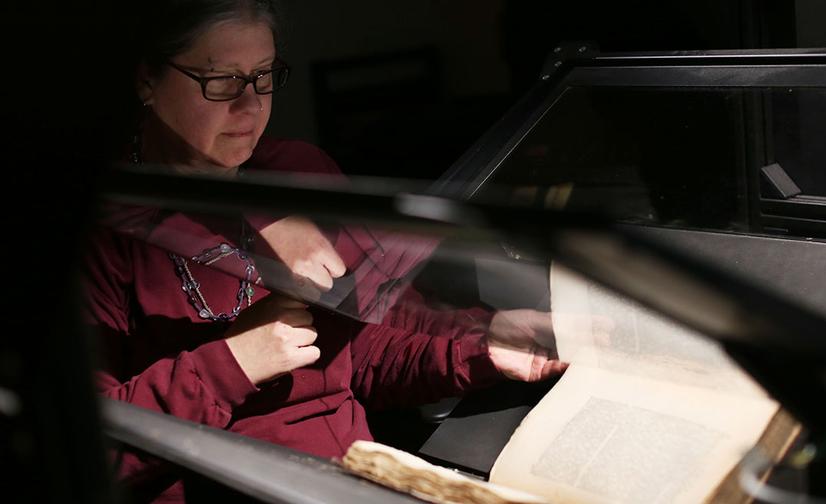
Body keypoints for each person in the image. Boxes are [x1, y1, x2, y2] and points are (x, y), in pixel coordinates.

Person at [82, 1, 565, 501]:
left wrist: (479, 345)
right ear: (146, 81)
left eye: (264, 76)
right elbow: (90, 454)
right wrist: (233, 362)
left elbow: (358, 353)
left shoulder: (298, 172)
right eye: (221, 80)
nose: (250, 106)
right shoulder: (99, 227)